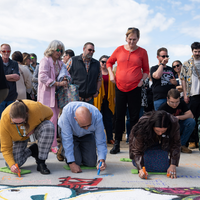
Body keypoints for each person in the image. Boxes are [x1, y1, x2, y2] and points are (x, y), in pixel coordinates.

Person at [106, 27, 149, 154]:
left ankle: (133, 143)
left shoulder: (142, 52)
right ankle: (117, 143)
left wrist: (142, 81)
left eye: (134, 39)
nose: (132, 42)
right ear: (126, 38)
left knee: (134, 117)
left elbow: (146, 70)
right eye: (130, 39)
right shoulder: (119, 49)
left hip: (135, 88)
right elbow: (109, 62)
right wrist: (111, 75)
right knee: (119, 116)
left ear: (138, 39)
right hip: (119, 87)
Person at [0, 100, 54, 174]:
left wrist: (34, 127)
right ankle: (32, 150)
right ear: (10, 115)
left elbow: (50, 113)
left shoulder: (36, 108)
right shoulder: (4, 121)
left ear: (26, 114)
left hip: (34, 130)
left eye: (21, 122)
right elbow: (6, 148)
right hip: (19, 138)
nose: (18, 125)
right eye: (15, 123)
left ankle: (41, 162)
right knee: (13, 163)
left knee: (48, 126)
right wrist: (12, 165)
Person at [38, 40, 69, 154]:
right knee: (52, 119)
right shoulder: (45, 60)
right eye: (57, 49)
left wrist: (65, 79)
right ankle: (52, 144)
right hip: (47, 95)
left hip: (57, 96)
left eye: (61, 50)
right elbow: (42, 77)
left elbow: (67, 74)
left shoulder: (60, 63)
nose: (59, 52)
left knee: (54, 119)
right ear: (51, 49)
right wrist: (57, 83)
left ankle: (48, 142)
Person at [129, 110, 181, 179]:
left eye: (163, 131)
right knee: (147, 165)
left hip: (160, 146)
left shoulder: (174, 123)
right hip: (144, 147)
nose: (160, 133)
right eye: (157, 130)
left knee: (164, 167)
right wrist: (141, 169)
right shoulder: (143, 123)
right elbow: (137, 150)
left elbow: (176, 144)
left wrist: (173, 164)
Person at [58, 101, 107, 173]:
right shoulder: (67, 112)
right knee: (76, 161)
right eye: (83, 126)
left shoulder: (97, 115)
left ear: (91, 115)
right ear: (75, 119)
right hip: (70, 134)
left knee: (91, 163)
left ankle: (79, 149)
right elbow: (67, 139)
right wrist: (71, 163)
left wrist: (102, 160)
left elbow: (101, 140)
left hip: (87, 135)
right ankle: (63, 149)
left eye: (89, 125)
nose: (87, 128)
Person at [158, 89, 195, 153]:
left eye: (177, 102)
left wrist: (178, 117)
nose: (175, 105)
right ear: (167, 99)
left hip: (179, 126)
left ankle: (181, 145)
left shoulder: (181, 103)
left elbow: (191, 115)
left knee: (191, 121)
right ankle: (170, 145)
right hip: (168, 130)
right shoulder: (162, 108)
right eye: (172, 102)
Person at [180, 42, 200, 149]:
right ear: (192, 51)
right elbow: (182, 79)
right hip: (192, 94)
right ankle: (193, 141)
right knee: (193, 118)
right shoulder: (187, 63)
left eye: (199, 51)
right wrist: (185, 94)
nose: (197, 53)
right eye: (195, 51)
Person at [94, 55, 115, 144]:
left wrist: (115, 98)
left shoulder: (112, 73)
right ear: (99, 62)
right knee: (97, 120)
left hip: (108, 99)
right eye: (102, 62)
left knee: (108, 120)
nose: (104, 64)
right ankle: (98, 139)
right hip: (98, 99)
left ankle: (110, 138)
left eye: (106, 62)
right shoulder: (96, 73)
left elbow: (115, 87)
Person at [0, 44, 20, 118]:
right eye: (4, 51)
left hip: (11, 96)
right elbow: (14, 77)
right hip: (1, 97)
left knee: (11, 118)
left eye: (8, 51)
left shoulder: (14, 63)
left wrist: (2, 77)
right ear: (0, 52)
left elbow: (17, 77)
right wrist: (12, 76)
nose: (6, 53)